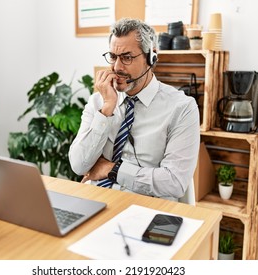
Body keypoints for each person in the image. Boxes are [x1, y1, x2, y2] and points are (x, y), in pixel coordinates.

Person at [69, 18, 200, 201]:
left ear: (151, 57)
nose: (117, 67)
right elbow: (78, 165)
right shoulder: (99, 101)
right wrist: (107, 109)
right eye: (113, 57)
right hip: (97, 199)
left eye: (127, 58)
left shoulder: (182, 108)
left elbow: (174, 183)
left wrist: (111, 169)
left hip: (147, 206)